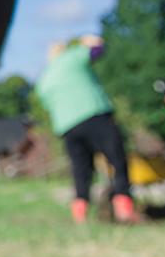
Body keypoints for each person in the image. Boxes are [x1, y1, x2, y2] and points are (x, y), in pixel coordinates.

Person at [35, 35, 138, 224]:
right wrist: (89, 40)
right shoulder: (73, 57)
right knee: (117, 159)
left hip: (67, 127)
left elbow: (47, 105)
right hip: (93, 114)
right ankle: (123, 206)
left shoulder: (43, 80)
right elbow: (98, 49)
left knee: (81, 170)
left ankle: (80, 215)